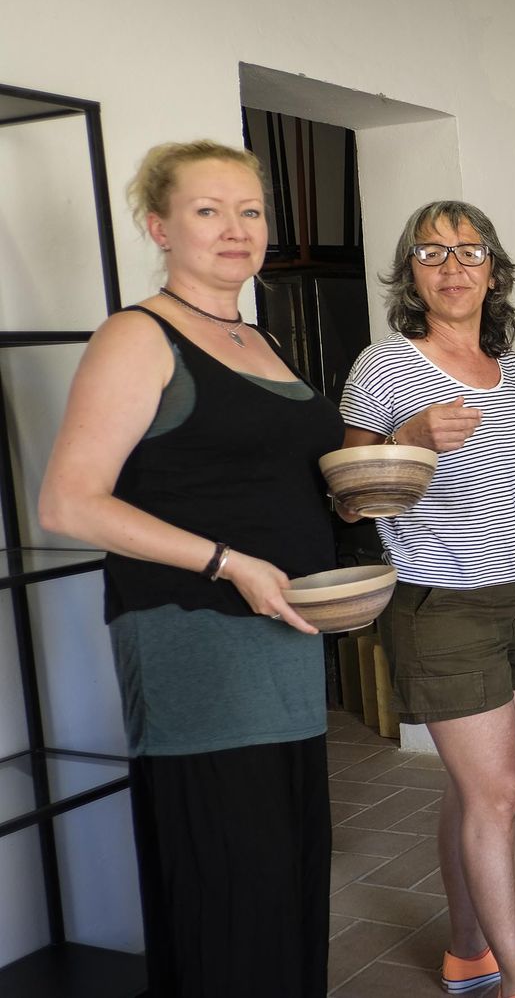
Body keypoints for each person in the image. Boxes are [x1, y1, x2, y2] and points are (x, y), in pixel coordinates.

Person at [38, 140, 339, 996]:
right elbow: (68, 504)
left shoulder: (257, 335)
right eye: (208, 210)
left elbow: (266, 476)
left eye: (249, 210)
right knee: (228, 878)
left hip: (281, 635)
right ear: (158, 226)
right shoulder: (137, 336)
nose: (235, 229)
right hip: (196, 641)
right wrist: (227, 562)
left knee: (284, 872)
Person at [338, 201, 515, 998]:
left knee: (472, 789)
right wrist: (408, 436)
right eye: (433, 252)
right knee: (500, 794)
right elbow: (348, 498)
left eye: (470, 251)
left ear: (494, 269)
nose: (453, 266)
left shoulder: (507, 369)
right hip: (440, 605)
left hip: (510, 597)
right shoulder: (387, 365)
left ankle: (469, 951)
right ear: (411, 272)